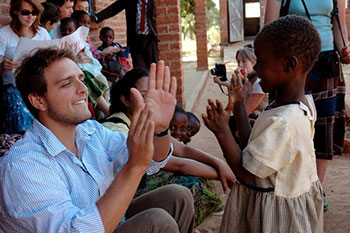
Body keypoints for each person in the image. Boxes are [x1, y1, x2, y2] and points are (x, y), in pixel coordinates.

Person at [0, 47, 194, 233]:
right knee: (157, 222)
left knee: (177, 197)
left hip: (100, 224)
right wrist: (134, 167)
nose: (83, 89)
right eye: (67, 83)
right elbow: (75, 230)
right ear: (38, 100)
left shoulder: (89, 131)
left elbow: (153, 160)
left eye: (81, 78)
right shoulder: (23, 165)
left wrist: (159, 129)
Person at [203, 16, 323, 232]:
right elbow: (254, 147)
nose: (256, 68)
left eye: (261, 61)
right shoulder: (296, 106)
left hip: (275, 219)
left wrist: (222, 132)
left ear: (289, 64)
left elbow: (245, 172)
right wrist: (239, 104)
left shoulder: (284, 122)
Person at [265, 0, 350, 210]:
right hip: (292, 64)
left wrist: (344, 49)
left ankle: (316, 191)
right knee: (288, 125)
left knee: (324, 126)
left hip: (326, 63)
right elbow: (269, 30)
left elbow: (338, 23)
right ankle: (287, 188)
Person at [103, 68, 236, 192]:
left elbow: (182, 149)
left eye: (154, 96)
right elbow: (178, 165)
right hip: (117, 197)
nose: (151, 103)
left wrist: (218, 163)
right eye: (144, 96)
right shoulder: (116, 130)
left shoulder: (141, 120)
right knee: (187, 185)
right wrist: (228, 174)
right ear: (125, 100)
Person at [0, 0, 50, 134]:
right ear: (15, 12)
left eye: (34, 13)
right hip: (13, 87)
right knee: (20, 111)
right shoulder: (4, 34)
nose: (30, 17)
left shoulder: (42, 33)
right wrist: (3, 66)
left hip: (38, 84)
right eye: (25, 12)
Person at [92, 0, 158, 71]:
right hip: (136, 40)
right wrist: (97, 17)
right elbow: (115, 7)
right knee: (140, 70)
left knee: (154, 68)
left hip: (151, 40)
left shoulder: (155, 2)